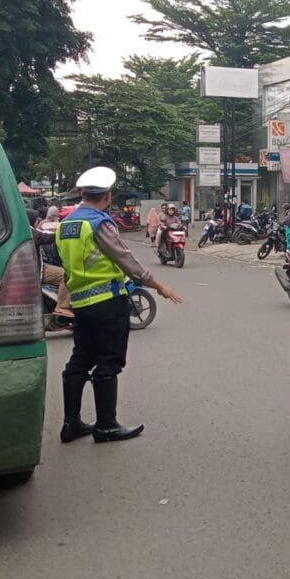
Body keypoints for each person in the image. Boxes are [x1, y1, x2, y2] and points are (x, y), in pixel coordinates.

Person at [55, 167, 182, 444]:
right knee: (108, 363)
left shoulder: (66, 224)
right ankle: (106, 426)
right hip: (107, 303)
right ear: (108, 196)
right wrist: (160, 286)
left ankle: (71, 423)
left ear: (81, 193)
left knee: (79, 361)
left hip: (81, 303)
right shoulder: (99, 224)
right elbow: (126, 260)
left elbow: (66, 265)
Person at [35, 207, 73, 318]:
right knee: (67, 275)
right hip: (38, 268)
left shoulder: (40, 226)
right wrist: (65, 233)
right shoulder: (30, 230)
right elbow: (44, 238)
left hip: (43, 263)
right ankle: (61, 307)